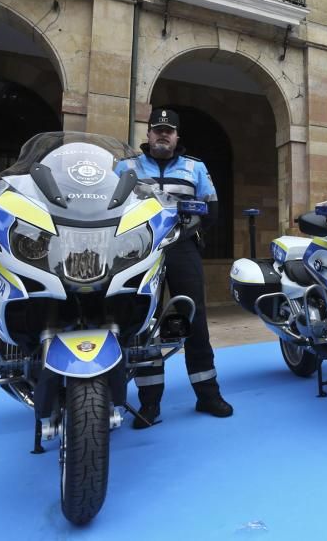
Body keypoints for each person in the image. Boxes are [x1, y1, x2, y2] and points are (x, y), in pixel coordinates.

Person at [118, 109, 233, 428]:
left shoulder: (196, 167)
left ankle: (208, 394)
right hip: (139, 251)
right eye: (157, 130)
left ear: (177, 136)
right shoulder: (126, 167)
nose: (163, 135)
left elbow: (211, 210)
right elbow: (110, 206)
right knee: (143, 323)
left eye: (169, 131)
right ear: (149, 133)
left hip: (182, 247)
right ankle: (149, 403)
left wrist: (186, 228)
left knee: (194, 319)